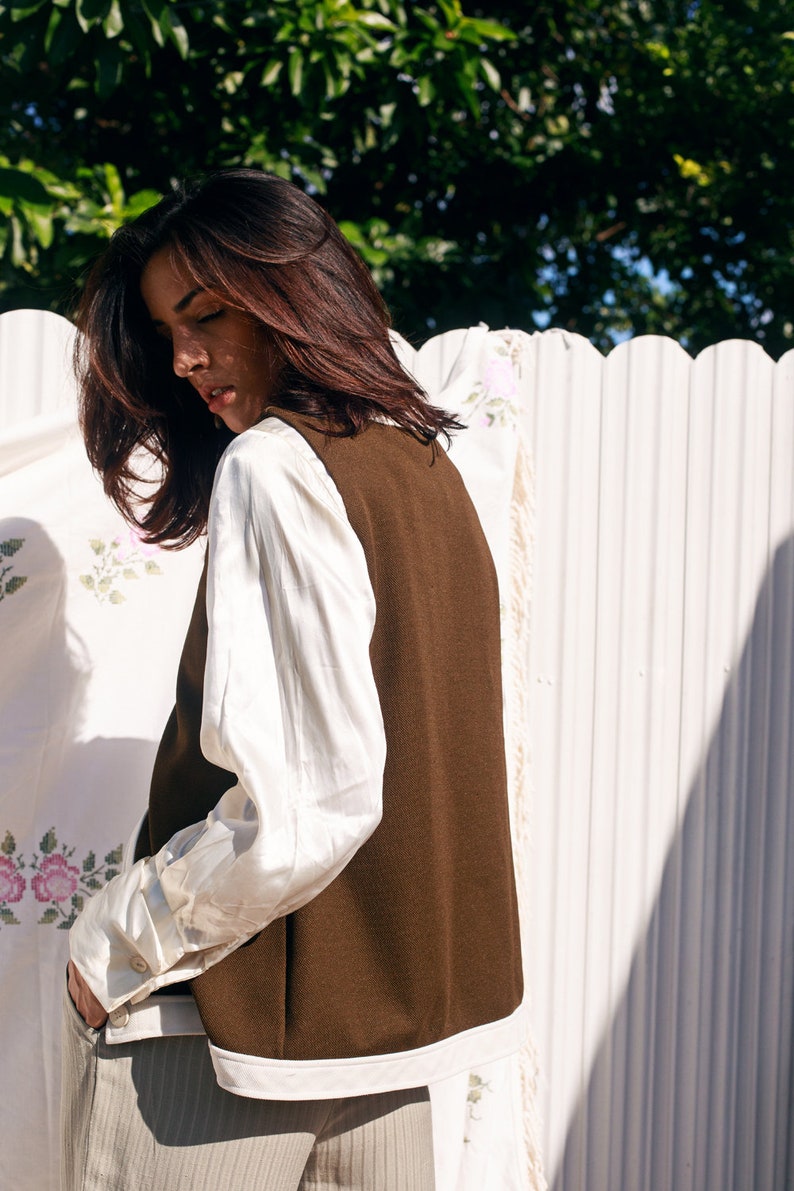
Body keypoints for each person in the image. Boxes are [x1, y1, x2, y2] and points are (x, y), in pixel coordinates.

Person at [62, 168, 525, 1190]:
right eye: (165, 331)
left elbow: (314, 803)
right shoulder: (427, 467)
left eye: (206, 315)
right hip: (388, 1039)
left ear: (291, 295)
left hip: (217, 1034)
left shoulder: (277, 465)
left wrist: (118, 941)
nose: (182, 359)